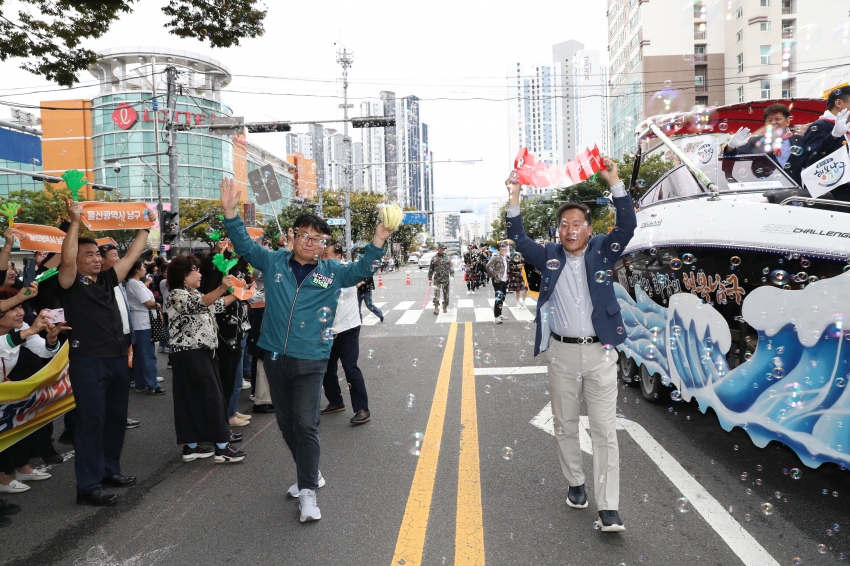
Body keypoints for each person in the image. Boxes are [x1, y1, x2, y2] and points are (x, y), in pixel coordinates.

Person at [220, 177, 393, 523]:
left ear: (324, 243)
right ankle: (307, 475)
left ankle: (309, 493)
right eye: (305, 235)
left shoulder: (332, 272)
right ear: (293, 236)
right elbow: (243, 245)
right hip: (273, 356)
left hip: (312, 358)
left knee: (306, 424)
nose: (311, 242)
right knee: (286, 424)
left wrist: (378, 241)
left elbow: (362, 269)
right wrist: (230, 213)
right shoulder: (273, 262)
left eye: (318, 238)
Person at [504, 156, 636, 532]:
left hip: (600, 351)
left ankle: (608, 507)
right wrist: (515, 195)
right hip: (561, 352)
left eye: (577, 224)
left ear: (588, 228)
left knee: (604, 428)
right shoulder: (547, 255)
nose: (570, 229)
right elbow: (518, 237)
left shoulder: (602, 250)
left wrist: (615, 183)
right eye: (564, 224)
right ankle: (576, 483)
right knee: (564, 423)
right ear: (558, 230)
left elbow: (627, 224)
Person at [57, 197, 152, 506]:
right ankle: (88, 486)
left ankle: (110, 470)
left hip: (115, 360)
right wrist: (74, 223)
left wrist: (145, 227)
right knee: (91, 423)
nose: (96, 259)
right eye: (89, 254)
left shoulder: (108, 279)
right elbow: (68, 259)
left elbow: (134, 254)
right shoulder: (70, 282)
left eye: (98, 253)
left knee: (114, 418)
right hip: (89, 362)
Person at [165, 255, 246, 464]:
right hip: (189, 352)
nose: (200, 274)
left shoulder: (193, 293)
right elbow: (202, 303)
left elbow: (215, 305)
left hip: (199, 352)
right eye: (196, 270)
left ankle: (192, 446)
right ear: (184, 275)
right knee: (212, 397)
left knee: (193, 398)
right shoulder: (177, 295)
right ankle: (222, 448)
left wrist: (239, 293)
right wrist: (221, 287)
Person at [0, 295, 68, 494]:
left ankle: (14, 472)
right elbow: (4, 343)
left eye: (21, 307)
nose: (21, 312)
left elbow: (44, 351)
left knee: (12, 431)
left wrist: (52, 337)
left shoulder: (20, 330)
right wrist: (31, 329)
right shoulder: (21, 332)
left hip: (5, 393)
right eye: (13, 308)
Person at [319, 241, 371, 426]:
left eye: (327, 255)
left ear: (339, 257)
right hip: (329, 329)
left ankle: (362, 409)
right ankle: (335, 401)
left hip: (348, 327)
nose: (323, 258)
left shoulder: (346, 271)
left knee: (350, 368)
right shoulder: (320, 273)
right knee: (326, 367)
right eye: (322, 255)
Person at [199, 254, 251, 428]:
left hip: (235, 335)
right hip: (224, 339)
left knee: (233, 381)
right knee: (226, 382)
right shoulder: (210, 286)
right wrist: (239, 293)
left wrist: (243, 291)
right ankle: (225, 420)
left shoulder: (219, 284)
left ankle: (230, 413)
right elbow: (217, 304)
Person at [99, 244, 142, 429]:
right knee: (108, 384)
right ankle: (106, 419)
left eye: (118, 255)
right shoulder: (97, 282)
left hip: (124, 337)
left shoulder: (120, 281)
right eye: (114, 255)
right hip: (108, 341)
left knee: (121, 382)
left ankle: (119, 417)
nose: (118, 259)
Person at [724, 103, 806, 184]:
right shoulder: (756, 141)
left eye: (778, 119)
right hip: (767, 190)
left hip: (796, 191)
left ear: (787, 121)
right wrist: (731, 146)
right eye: (769, 120)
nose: (773, 123)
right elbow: (734, 158)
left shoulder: (801, 141)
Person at [125, 260, 165, 396]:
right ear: (136, 270)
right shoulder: (135, 284)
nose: (144, 268)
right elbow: (148, 303)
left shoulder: (135, 283)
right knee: (148, 355)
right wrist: (158, 305)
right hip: (142, 324)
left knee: (141, 356)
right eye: (142, 266)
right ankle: (153, 385)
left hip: (141, 323)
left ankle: (142, 383)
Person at [803, 86, 850, 201]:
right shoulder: (820, 125)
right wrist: (834, 136)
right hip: (834, 195)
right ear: (839, 103)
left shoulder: (845, 126)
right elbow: (812, 156)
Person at [486, 242, 511, 324]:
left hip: (504, 280)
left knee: (503, 297)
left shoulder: (505, 257)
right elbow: (488, 266)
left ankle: (499, 314)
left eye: (506, 248)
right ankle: (496, 317)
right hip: (498, 280)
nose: (505, 249)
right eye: (503, 248)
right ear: (500, 249)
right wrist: (494, 276)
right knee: (499, 298)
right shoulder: (496, 257)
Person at [428, 245, 452, 315]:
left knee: (446, 294)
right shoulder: (434, 258)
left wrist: (452, 275)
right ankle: (436, 307)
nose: (442, 250)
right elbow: (431, 269)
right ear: (438, 249)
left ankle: (445, 305)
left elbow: (451, 267)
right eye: (441, 249)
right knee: (436, 294)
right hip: (437, 279)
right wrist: (429, 277)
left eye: (443, 249)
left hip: (446, 278)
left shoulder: (447, 258)